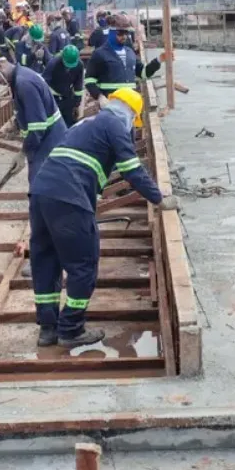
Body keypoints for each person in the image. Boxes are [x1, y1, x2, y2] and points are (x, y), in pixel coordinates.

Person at [28, 88, 178, 347]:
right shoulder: (115, 124)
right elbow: (132, 170)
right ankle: (71, 329)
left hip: (41, 193)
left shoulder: (85, 123)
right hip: (69, 197)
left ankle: (48, 328)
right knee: (83, 264)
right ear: (131, 114)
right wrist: (160, 198)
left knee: (46, 260)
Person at [0, 49, 66, 184]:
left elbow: (37, 126)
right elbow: (29, 111)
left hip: (49, 142)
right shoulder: (19, 78)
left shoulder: (24, 83)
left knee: (41, 186)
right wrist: (17, 126)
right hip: (47, 139)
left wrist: (22, 153)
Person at [84, 13, 166, 102]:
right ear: (111, 32)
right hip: (110, 106)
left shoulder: (130, 53)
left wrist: (158, 60)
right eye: (120, 33)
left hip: (130, 106)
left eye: (126, 33)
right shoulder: (99, 54)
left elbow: (143, 73)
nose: (124, 36)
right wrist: (100, 97)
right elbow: (89, 80)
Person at [42, 44, 84, 127]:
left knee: (69, 122)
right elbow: (43, 83)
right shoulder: (53, 63)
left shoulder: (79, 65)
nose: (69, 68)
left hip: (67, 96)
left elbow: (78, 86)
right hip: (53, 97)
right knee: (54, 123)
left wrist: (76, 104)